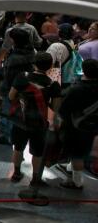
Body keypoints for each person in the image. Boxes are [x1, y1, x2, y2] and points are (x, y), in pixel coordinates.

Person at [9, 51, 62, 186]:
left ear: (34, 63)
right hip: (39, 123)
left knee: (18, 147)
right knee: (37, 152)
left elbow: (11, 96)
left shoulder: (22, 77)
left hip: (21, 119)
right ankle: (35, 179)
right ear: (50, 67)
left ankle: (16, 173)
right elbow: (56, 106)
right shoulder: (53, 84)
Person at [56, 58, 98, 190]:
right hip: (92, 124)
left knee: (77, 153)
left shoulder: (77, 89)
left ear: (84, 71)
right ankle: (71, 168)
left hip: (75, 125)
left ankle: (77, 182)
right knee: (82, 149)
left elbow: (64, 110)